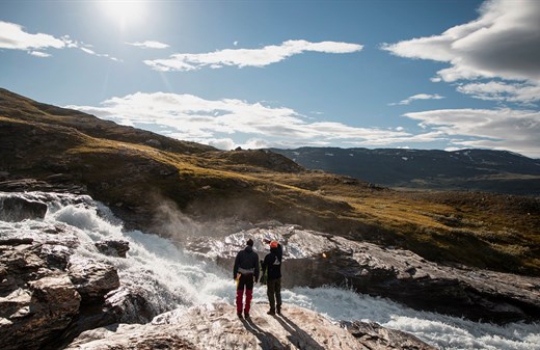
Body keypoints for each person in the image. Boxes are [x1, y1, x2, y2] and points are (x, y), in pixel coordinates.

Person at [233, 238, 259, 319]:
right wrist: (256, 277)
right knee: (248, 295)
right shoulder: (255, 255)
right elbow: (257, 268)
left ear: (246, 244)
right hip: (250, 276)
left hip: (240, 276)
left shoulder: (240, 253)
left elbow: (236, 265)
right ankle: (246, 312)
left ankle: (239, 312)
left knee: (239, 294)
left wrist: (235, 275)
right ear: (252, 245)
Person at [261, 240, 282, 315]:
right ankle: (279, 308)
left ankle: (272, 310)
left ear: (270, 247)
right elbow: (279, 246)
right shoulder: (279, 254)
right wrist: (270, 241)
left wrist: (262, 263)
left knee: (270, 293)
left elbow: (264, 267)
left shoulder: (268, 256)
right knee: (278, 292)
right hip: (278, 277)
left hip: (271, 278)